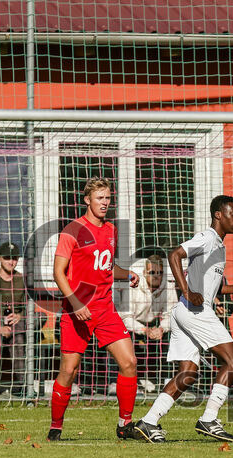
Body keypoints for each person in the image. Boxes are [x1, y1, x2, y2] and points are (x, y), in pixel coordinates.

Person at [133, 195, 233, 443]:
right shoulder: (207, 237)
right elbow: (174, 255)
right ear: (218, 215)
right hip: (194, 311)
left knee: (188, 373)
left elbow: (210, 289)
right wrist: (187, 291)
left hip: (185, 311)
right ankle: (209, 419)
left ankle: (148, 422)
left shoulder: (218, 245)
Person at [47, 177, 142, 441]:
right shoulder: (73, 230)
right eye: (100, 198)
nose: (105, 203)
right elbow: (58, 272)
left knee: (129, 362)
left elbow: (107, 267)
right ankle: (56, 426)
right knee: (69, 370)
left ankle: (124, 424)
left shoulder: (111, 229)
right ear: (87, 200)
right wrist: (76, 303)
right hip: (75, 310)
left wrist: (127, 274)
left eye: (108, 198)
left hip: (104, 309)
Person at [117, 255, 175, 393]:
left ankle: (166, 380)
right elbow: (125, 317)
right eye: (152, 272)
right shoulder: (133, 286)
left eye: (159, 272)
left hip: (154, 324)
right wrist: (144, 330)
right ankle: (130, 381)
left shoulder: (168, 286)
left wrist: (161, 328)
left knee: (173, 334)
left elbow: (171, 315)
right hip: (131, 324)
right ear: (144, 273)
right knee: (125, 340)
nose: (156, 276)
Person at [0, 242, 26, 397]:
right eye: (7, 258)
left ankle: (21, 386)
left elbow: (28, 306)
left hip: (15, 326)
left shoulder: (22, 280)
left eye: (14, 258)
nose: (11, 262)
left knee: (18, 338)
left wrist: (20, 315)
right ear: (0, 258)